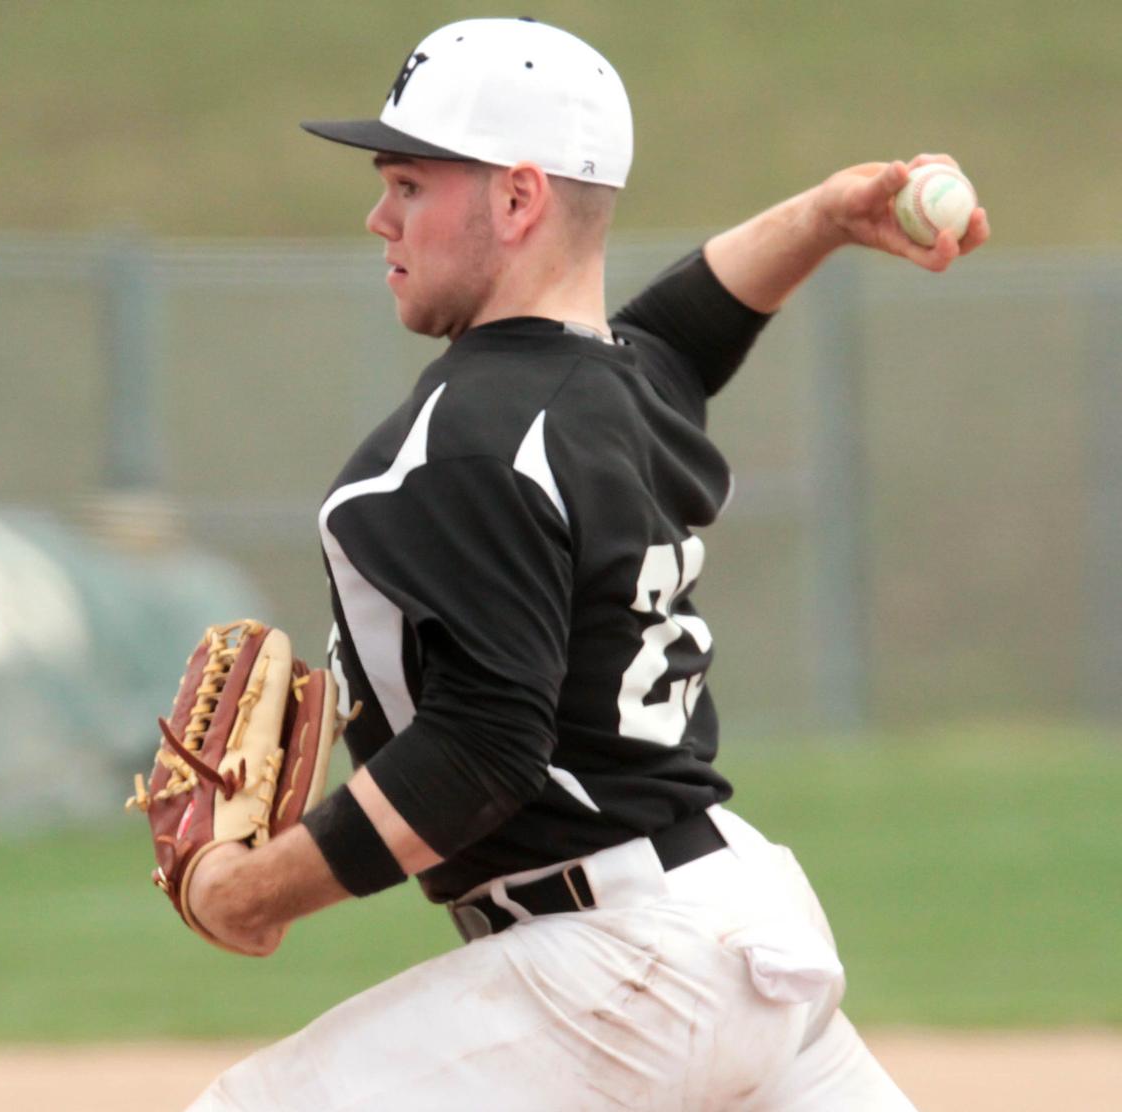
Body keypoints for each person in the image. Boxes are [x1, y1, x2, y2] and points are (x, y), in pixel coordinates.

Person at [186, 17, 989, 1111]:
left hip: (620, 977)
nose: (380, 216)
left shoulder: (457, 444)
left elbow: (480, 754)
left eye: (411, 183)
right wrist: (824, 218)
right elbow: (687, 327)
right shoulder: (618, 387)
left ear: (517, 199)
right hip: (741, 933)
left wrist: (250, 894)